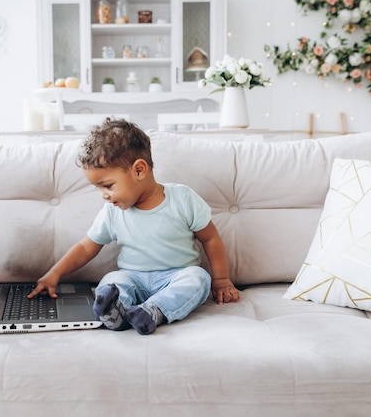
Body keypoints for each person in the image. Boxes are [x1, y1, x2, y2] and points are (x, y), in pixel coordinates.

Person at [28, 118, 239, 334]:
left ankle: (154, 311)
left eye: (108, 186)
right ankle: (115, 314)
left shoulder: (183, 199)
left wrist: (221, 280)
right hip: (133, 276)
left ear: (139, 170)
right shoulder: (112, 211)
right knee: (112, 281)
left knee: (198, 278)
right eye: (98, 188)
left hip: (176, 276)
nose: (104, 195)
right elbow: (86, 247)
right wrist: (55, 274)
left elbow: (210, 238)